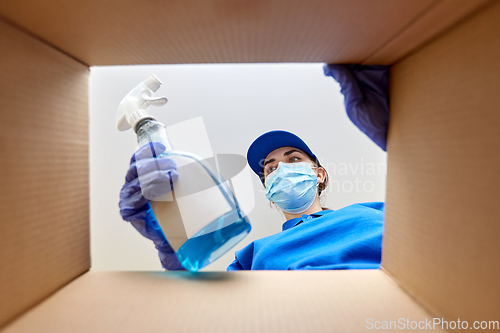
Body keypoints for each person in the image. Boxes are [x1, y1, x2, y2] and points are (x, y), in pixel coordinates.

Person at [119, 130, 384, 271]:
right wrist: (175, 257)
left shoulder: (372, 212)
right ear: (269, 189)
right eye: (270, 169)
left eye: (293, 159)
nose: (282, 169)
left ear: (319, 174)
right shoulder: (252, 255)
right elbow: (220, 316)